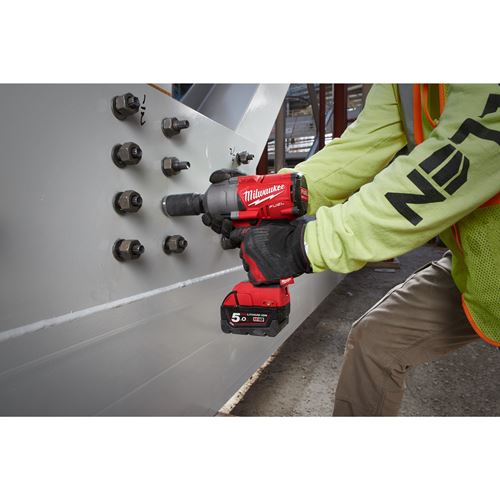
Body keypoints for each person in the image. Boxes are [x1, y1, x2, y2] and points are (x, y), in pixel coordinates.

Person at [205, 84, 500, 416]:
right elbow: (359, 148)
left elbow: (450, 168)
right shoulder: (402, 82)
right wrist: (269, 196)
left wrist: (306, 245)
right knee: (376, 341)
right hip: (476, 264)